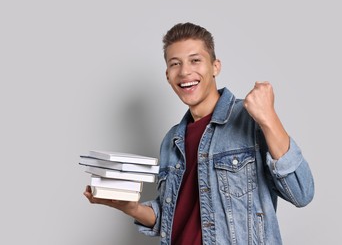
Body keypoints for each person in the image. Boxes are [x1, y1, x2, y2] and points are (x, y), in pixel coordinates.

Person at [84, 22, 315, 245]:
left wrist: (269, 119)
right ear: (167, 75)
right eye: (175, 64)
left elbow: (302, 193)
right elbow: (175, 218)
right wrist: (130, 207)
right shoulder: (171, 141)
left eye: (195, 60)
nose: (185, 72)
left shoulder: (251, 118)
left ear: (215, 66)